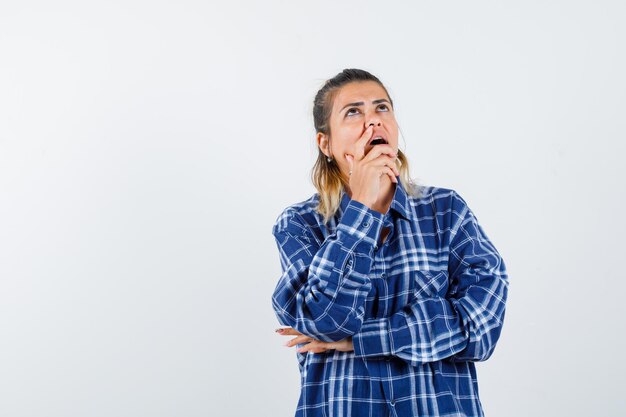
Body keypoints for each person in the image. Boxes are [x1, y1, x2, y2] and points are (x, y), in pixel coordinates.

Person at [270, 68, 509, 417]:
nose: (373, 122)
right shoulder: (299, 224)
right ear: (326, 143)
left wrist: (359, 340)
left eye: (382, 108)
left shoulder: (446, 211)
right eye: (353, 112)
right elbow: (323, 320)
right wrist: (362, 209)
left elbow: (481, 327)